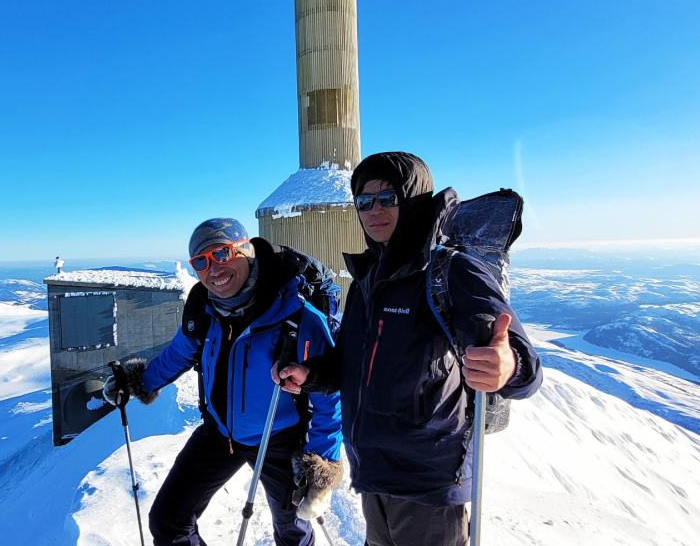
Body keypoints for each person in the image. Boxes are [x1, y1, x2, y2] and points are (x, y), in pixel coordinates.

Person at [275, 152, 543, 546]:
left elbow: (526, 368)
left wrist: (509, 365)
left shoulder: (450, 271)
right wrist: (311, 374)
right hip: (373, 472)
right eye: (364, 202)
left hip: (427, 483)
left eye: (388, 198)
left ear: (414, 202)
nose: (374, 211)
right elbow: (350, 363)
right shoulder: (368, 280)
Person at [116, 218, 344, 546]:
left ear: (246, 250)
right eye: (201, 262)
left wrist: (319, 466)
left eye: (222, 254)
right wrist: (137, 381)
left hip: (278, 439)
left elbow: (329, 395)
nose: (213, 269)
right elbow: (179, 354)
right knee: (168, 520)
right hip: (218, 433)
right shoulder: (203, 309)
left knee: (293, 533)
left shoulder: (297, 314)